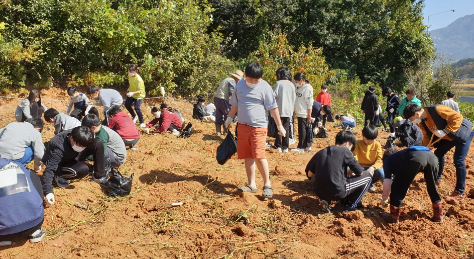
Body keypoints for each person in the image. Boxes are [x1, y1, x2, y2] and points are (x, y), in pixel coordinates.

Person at [225, 62, 285, 199]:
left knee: (259, 155)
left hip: (259, 127)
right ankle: (251, 184)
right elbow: (235, 104)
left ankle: (267, 184)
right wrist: (229, 118)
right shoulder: (239, 85)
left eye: (256, 80)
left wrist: (279, 125)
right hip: (242, 126)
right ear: (245, 75)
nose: (253, 82)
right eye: (250, 79)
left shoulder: (265, 87)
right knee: (247, 155)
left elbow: (273, 108)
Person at [404, 103, 474, 201]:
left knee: (458, 161)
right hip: (450, 136)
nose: (414, 122)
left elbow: (457, 117)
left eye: (412, 120)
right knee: (438, 153)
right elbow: (426, 137)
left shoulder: (438, 109)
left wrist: (445, 131)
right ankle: (437, 178)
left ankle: (459, 192)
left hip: (464, 132)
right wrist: (420, 149)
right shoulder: (422, 122)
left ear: (416, 114)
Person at [305, 130, 374, 212]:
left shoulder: (321, 152)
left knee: (330, 179)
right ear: (347, 143)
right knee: (367, 176)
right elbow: (359, 172)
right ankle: (351, 205)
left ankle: (326, 200)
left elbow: (309, 174)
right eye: (351, 147)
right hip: (338, 191)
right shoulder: (345, 151)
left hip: (319, 191)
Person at [41, 126, 106, 206]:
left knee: (98, 143)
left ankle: (98, 176)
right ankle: (60, 176)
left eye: (83, 147)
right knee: (83, 169)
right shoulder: (58, 146)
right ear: (71, 138)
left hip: (73, 155)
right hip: (60, 163)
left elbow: (84, 145)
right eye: (79, 145)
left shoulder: (78, 134)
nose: (81, 148)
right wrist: (48, 192)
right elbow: (49, 169)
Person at [381, 146, 443, 223]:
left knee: (396, 188)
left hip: (415, 158)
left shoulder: (387, 160)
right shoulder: (400, 156)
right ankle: (438, 215)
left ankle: (393, 217)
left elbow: (387, 181)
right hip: (432, 157)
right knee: (432, 186)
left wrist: (385, 198)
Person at [0, 158, 46, 245]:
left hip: (3, 232)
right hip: (34, 223)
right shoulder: (17, 165)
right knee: (33, 177)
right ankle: (36, 232)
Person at [352, 125, 384, 192]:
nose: (369, 142)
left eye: (372, 140)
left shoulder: (377, 144)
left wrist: (373, 167)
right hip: (360, 167)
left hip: (371, 168)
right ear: (362, 135)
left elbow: (379, 159)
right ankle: (361, 184)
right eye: (367, 139)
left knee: (381, 173)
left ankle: (369, 183)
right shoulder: (357, 143)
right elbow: (354, 157)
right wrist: (357, 169)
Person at [213, 70, 243, 136]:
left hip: (216, 98)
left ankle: (218, 132)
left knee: (219, 114)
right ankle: (226, 132)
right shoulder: (232, 81)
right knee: (228, 114)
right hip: (222, 99)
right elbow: (232, 93)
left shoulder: (226, 79)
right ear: (237, 78)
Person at [273, 67, 296, 153]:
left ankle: (278, 146)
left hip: (278, 109)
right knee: (286, 128)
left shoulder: (278, 83)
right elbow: (294, 99)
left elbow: (273, 95)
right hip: (288, 110)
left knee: (279, 127)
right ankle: (285, 147)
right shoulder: (292, 85)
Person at [292, 73, 313, 153]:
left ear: (301, 80)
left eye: (296, 81)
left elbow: (309, 103)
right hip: (299, 112)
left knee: (302, 130)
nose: (295, 83)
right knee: (301, 130)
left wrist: (309, 115)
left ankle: (302, 146)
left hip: (303, 112)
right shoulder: (299, 87)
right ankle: (304, 145)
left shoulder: (307, 88)